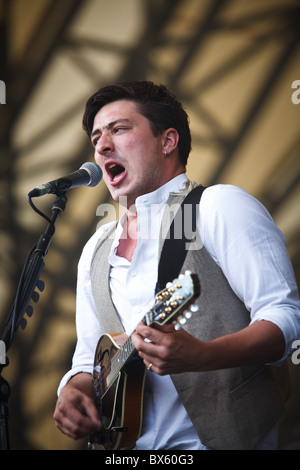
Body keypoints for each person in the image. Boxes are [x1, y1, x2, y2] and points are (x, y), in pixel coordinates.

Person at [53, 80, 300, 450]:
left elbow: (286, 317)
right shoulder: (95, 249)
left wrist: (203, 356)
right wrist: (72, 390)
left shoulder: (218, 206)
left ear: (168, 141)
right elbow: (90, 359)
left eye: (119, 129)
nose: (102, 146)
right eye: (96, 139)